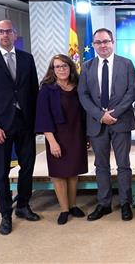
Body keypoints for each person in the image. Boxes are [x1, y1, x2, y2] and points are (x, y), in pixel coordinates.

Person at [0, 19, 40, 235]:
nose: (5, 35)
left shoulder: (26, 58)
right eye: (1, 32)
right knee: (2, 172)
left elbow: (33, 92)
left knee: (27, 167)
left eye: (8, 31)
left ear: (15, 34)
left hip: (25, 124)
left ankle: (23, 205)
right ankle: (5, 214)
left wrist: (37, 122)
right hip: (1, 126)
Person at [78, 28, 135, 222]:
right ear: (94, 45)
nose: (102, 45)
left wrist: (114, 113)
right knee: (100, 165)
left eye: (106, 41)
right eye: (98, 42)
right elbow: (83, 95)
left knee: (123, 164)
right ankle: (104, 204)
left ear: (113, 42)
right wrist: (100, 115)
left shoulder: (126, 64)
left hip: (120, 121)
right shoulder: (86, 67)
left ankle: (125, 202)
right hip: (97, 123)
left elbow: (131, 92)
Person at [35, 54, 88, 225]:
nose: (62, 69)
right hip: (57, 136)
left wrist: (87, 136)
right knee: (59, 174)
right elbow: (43, 117)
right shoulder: (47, 89)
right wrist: (52, 142)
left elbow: (84, 113)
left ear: (70, 67)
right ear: (53, 70)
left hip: (76, 134)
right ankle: (64, 209)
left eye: (65, 66)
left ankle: (73, 206)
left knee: (73, 173)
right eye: (58, 67)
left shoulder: (78, 86)